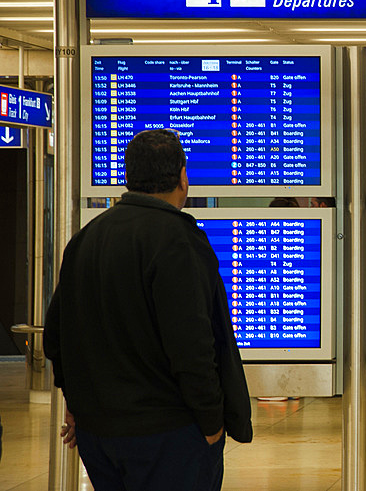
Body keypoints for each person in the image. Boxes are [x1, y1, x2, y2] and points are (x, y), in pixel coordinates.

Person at [44, 129, 252, 491]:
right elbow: (191, 344)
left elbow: (57, 336)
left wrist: (76, 404)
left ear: (128, 177)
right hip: (168, 434)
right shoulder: (178, 240)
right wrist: (211, 423)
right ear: (183, 178)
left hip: (99, 435)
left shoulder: (86, 240)